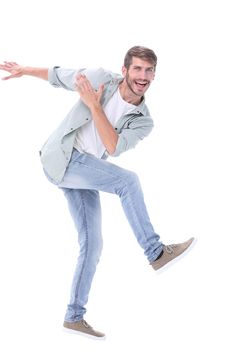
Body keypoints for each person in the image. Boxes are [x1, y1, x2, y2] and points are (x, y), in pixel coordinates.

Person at [0, 46, 195, 339]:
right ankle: (155, 252)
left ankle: (73, 316)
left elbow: (113, 146)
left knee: (92, 244)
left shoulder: (143, 121)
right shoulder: (99, 78)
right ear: (125, 69)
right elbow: (59, 76)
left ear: (154, 74)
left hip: (85, 169)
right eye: (138, 69)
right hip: (63, 157)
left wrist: (94, 107)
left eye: (149, 70)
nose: (143, 76)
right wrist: (25, 70)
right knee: (128, 182)